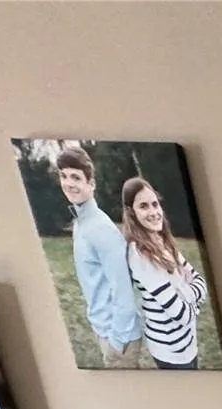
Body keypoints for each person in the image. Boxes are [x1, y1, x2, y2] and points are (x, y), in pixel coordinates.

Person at [56, 145, 143, 368]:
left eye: (76, 177)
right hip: (103, 330)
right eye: (63, 176)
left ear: (91, 184)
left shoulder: (102, 229)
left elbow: (124, 292)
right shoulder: (81, 221)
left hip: (118, 339)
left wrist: (116, 343)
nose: (68, 183)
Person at [120, 175, 209, 370]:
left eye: (155, 204)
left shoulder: (162, 241)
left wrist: (185, 293)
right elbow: (183, 315)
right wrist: (189, 293)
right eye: (143, 206)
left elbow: (201, 281)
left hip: (188, 344)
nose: (153, 212)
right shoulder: (140, 255)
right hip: (171, 352)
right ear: (131, 212)